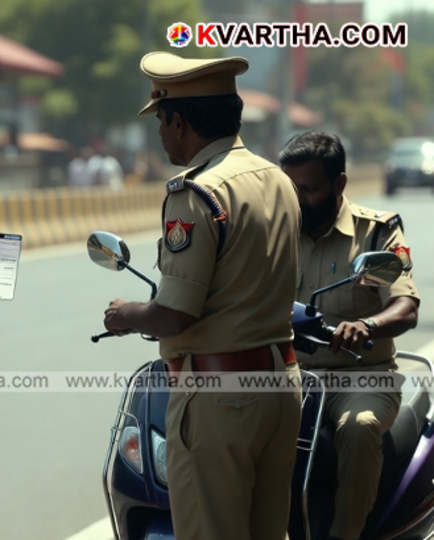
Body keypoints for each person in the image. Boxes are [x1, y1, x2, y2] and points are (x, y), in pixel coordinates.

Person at [101, 51, 303, 540]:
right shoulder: (276, 179)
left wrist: (125, 313)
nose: (160, 133)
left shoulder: (196, 193)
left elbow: (174, 313)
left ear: (179, 122)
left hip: (219, 398)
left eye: (162, 121)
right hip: (281, 384)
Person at [279, 132, 420, 540]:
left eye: (309, 189)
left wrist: (368, 325)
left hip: (360, 376)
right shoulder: (272, 232)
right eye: (290, 189)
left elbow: (404, 306)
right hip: (287, 374)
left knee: (359, 427)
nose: (298, 199)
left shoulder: (376, 232)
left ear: (339, 184)